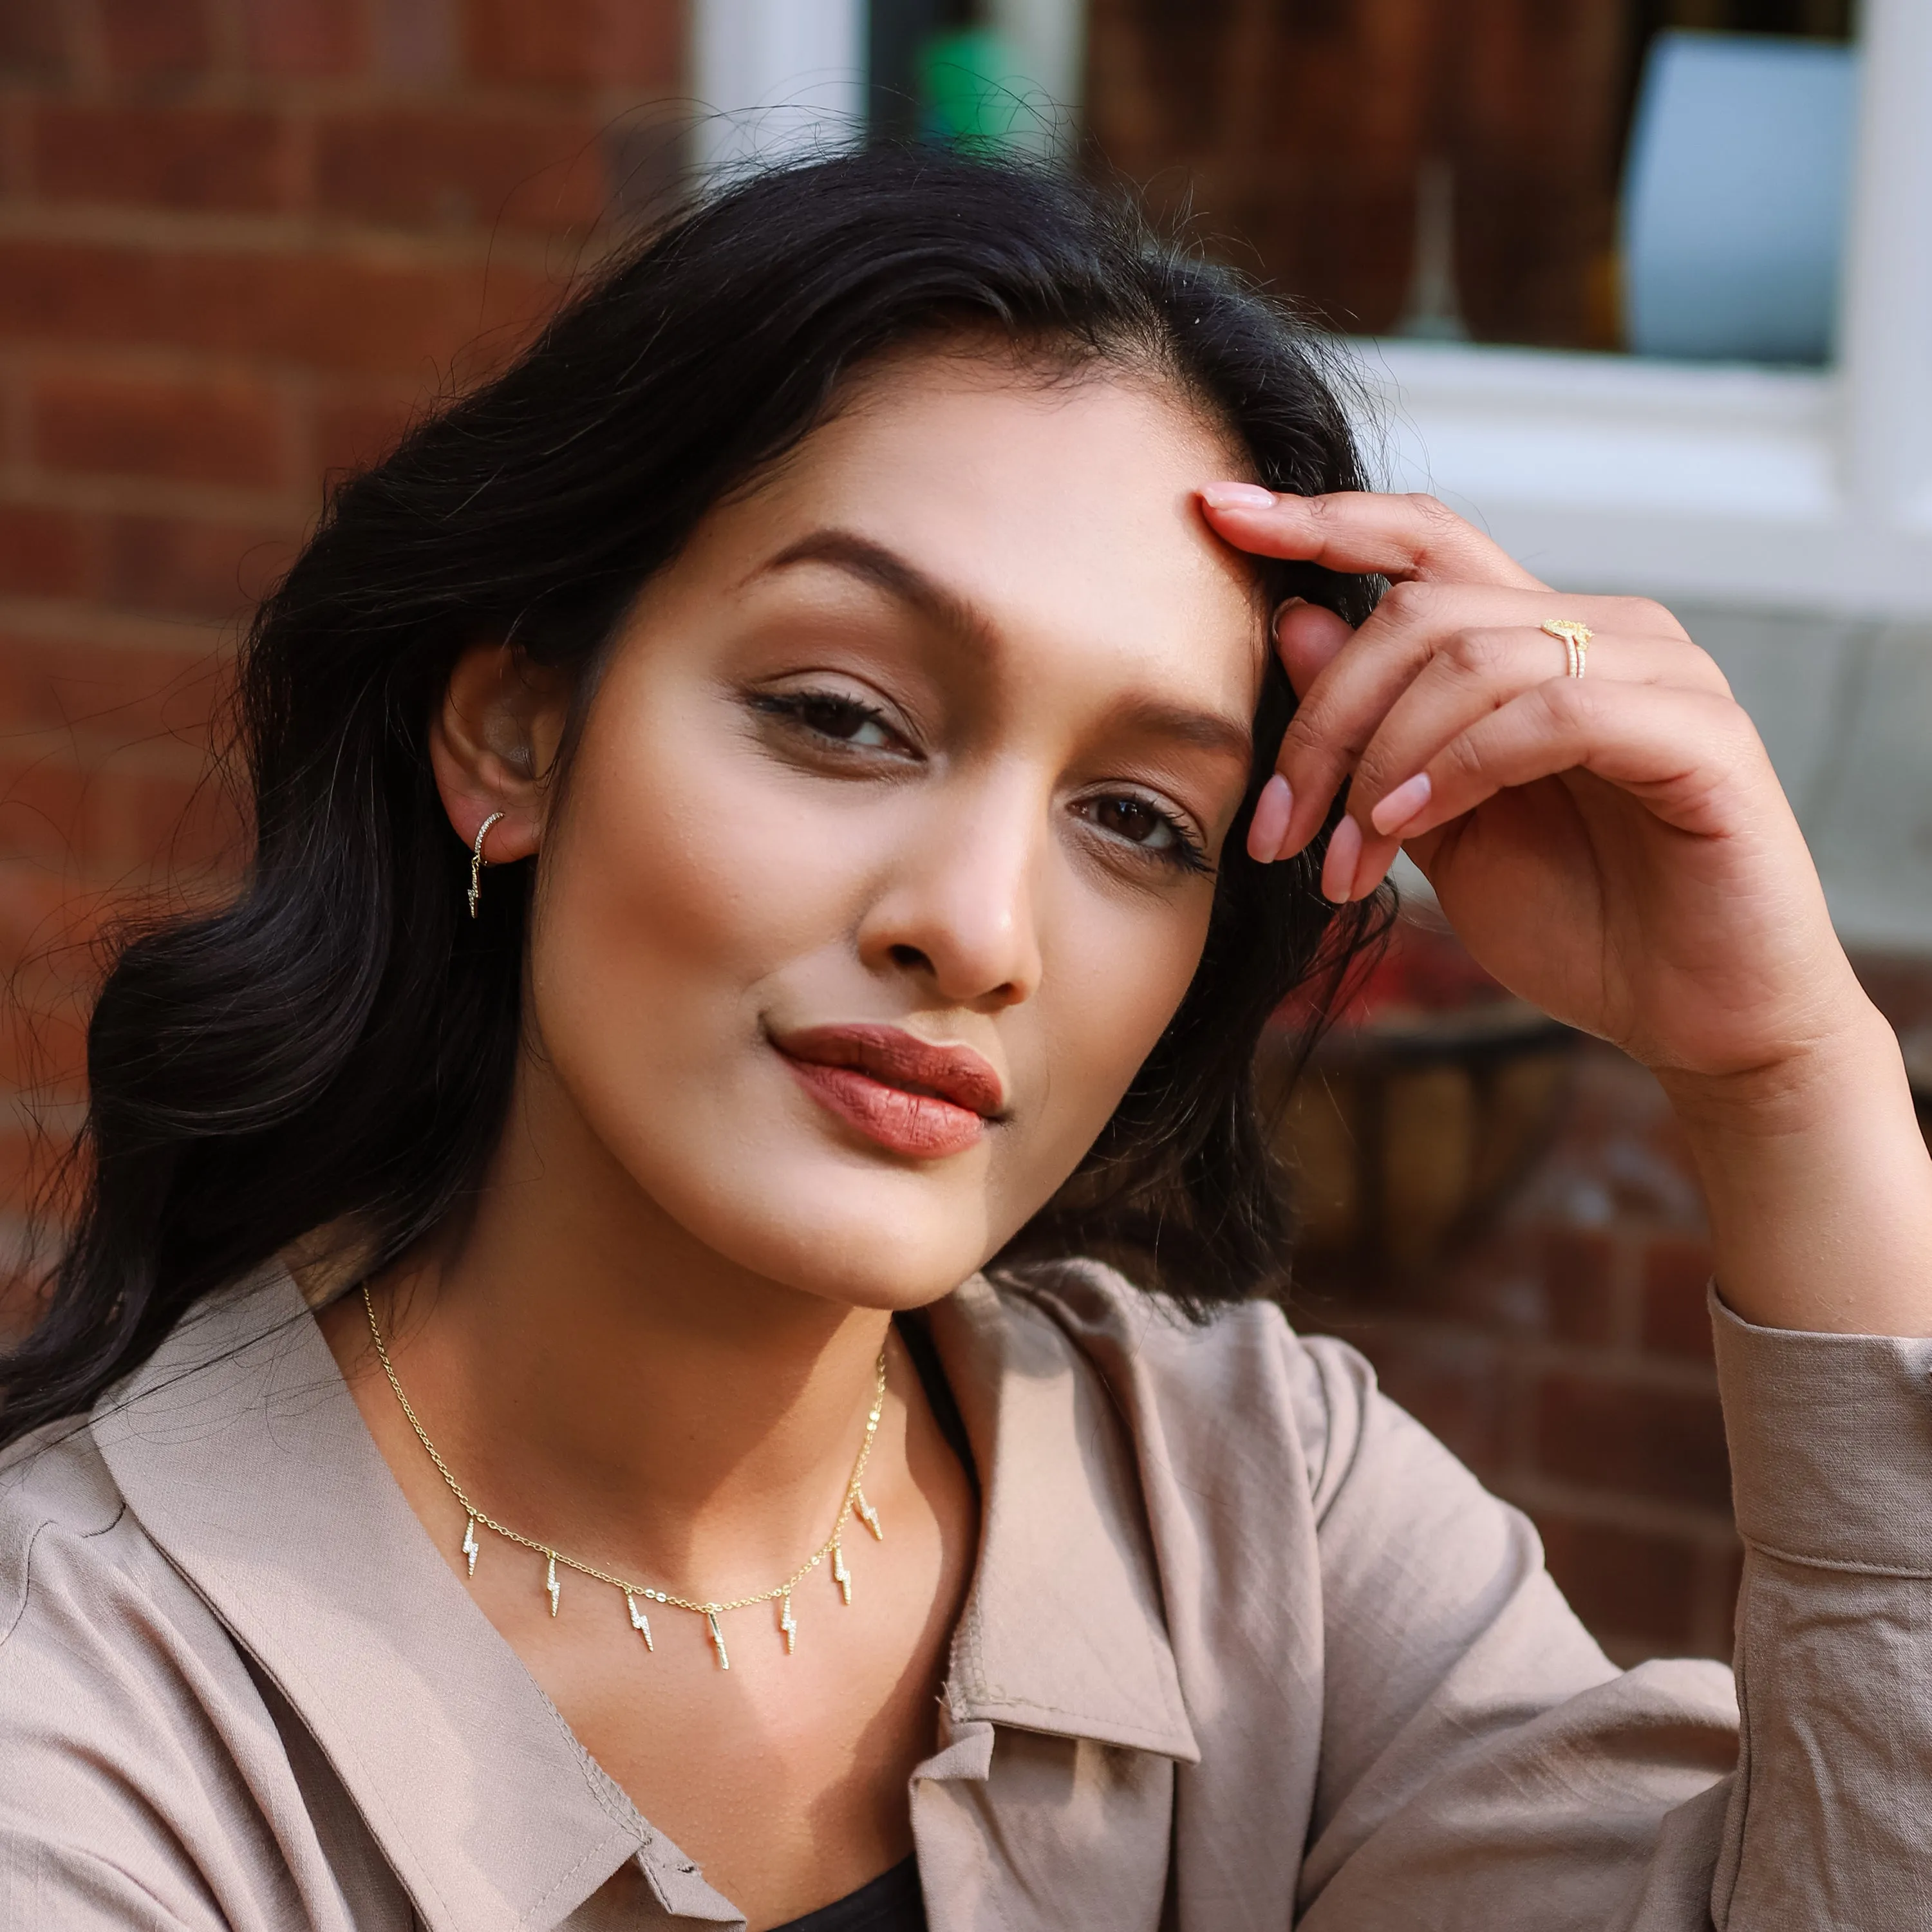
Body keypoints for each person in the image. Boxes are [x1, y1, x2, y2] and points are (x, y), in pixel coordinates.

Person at [2, 147, 1929, 1932]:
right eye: (842, 715)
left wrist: (1788, 1079)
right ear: (518, 733)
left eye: (1139, 822)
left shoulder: (1258, 1526)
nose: (981, 928)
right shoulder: (93, 1705)